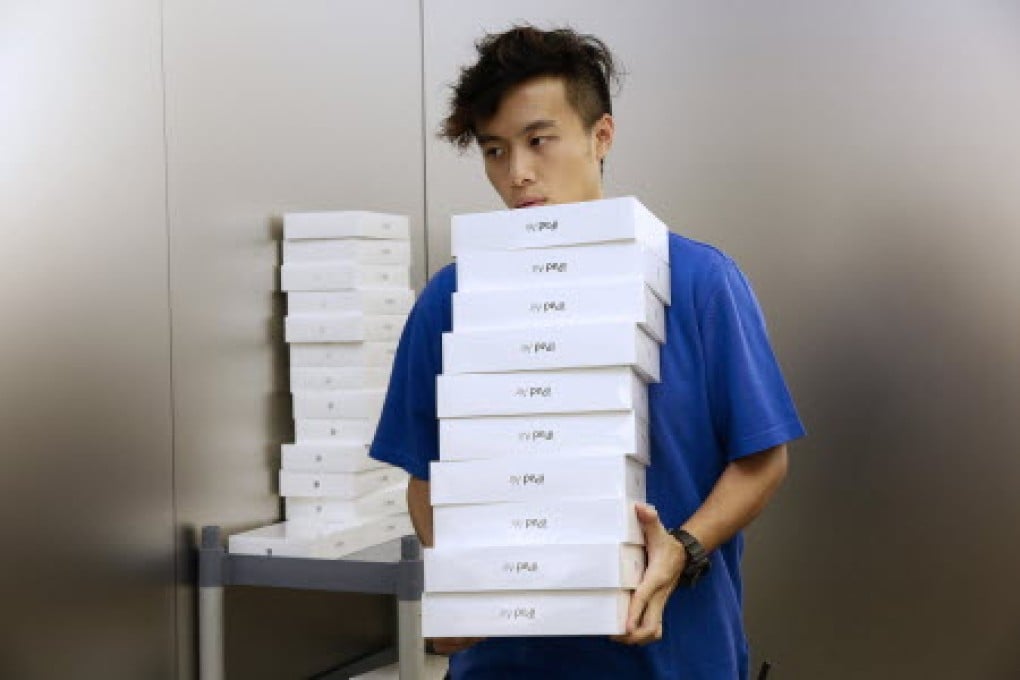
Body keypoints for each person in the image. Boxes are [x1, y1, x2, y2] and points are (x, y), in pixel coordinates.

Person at [369, 25, 805, 679]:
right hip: (507, 667)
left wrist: (682, 550)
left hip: (676, 659)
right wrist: (464, 581)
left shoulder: (700, 282)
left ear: (601, 137)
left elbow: (763, 459)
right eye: (494, 150)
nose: (516, 174)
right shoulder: (451, 297)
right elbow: (426, 475)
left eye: (539, 141)